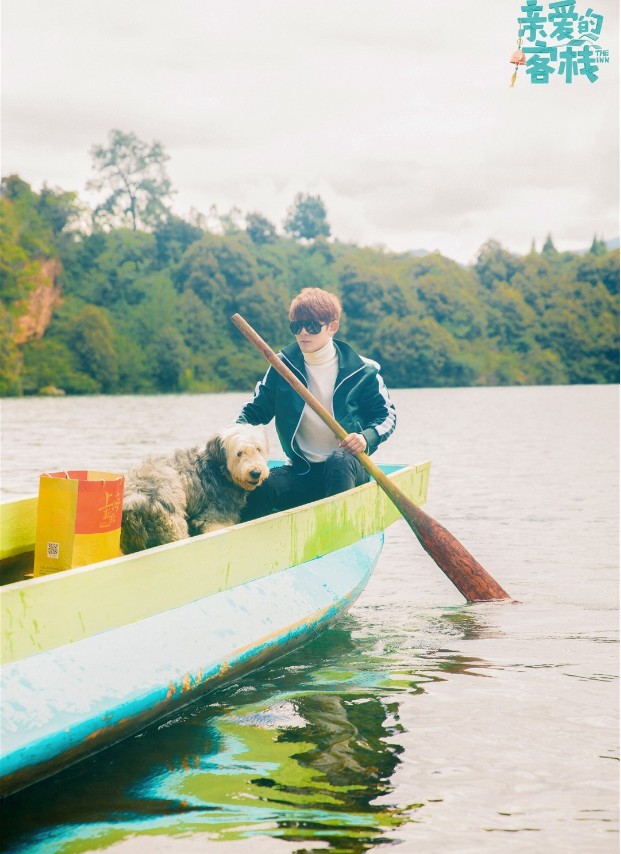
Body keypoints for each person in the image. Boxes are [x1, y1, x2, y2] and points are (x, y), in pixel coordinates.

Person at [236, 287, 396, 520]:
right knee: (261, 488)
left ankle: (336, 527)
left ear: (332, 327)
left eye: (312, 326)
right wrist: (229, 437)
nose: (303, 333)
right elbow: (254, 411)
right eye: (296, 326)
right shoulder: (282, 366)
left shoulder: (363, 370)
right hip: (302, 472)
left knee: (339, 462)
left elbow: (387, 416)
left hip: (349, 470)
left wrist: (365, 438)